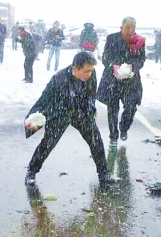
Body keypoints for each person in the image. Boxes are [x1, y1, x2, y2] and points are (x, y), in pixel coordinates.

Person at [24, 51, 114, 189]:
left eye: (91, 71)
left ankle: (104, 174)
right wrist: (32, 120)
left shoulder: (91, 74)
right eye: (85, 71)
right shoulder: (58, 79)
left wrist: (91, 107)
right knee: (48, 143)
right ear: (74, 68)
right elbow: (44, 100)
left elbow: (91, 93)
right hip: (61, 112)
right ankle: (32, 171)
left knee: (96, 141)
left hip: (81, 112)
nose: (89, 74)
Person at [97, 17, 146, 144]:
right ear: (121, 27)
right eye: (128, 27)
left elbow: (141, 60)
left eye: (133, 27)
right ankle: (113, 135)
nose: (131, 30)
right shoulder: (112, 38)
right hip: (112, 80)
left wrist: (132, 67)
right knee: (112, 108)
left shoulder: (139, 41)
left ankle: (124, 128)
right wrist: (114, 66)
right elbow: (105, 57)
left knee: (131, 107)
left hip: (131, 81)